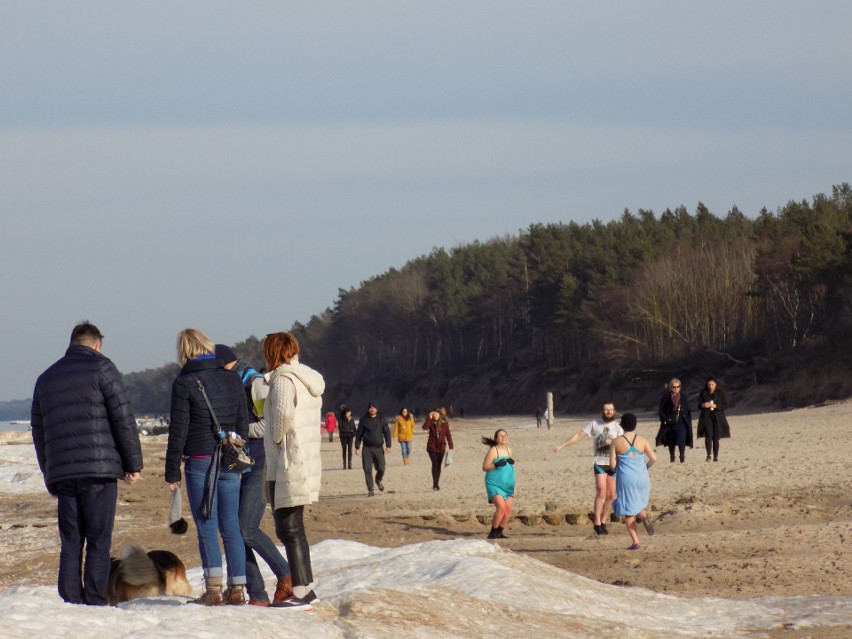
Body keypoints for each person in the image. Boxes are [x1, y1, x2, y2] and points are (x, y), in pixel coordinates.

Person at [31, 322, 143, 605]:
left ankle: (70, 599)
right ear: (96, 345)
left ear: (72, 343)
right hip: (99, 470)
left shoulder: (45, 378)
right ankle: (95, 599)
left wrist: (49, 474)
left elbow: (39, 431)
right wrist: (133, 464)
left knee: (71, 542)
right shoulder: (103, 368)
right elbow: (123, 419)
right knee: (98, 539)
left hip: (64, 473)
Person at [165, 329, 248, 606]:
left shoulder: (185, 382)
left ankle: (213, 589)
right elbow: (242, 423)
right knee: (231, 525)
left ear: (185, 351)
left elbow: (179, 430)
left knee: (206, 525)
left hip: (200, 459)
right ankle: (238, 588)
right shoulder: (232, 378)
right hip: (230, 458)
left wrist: (171, 470)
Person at [214, 344, 292, 608]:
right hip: (239, 466)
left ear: (227, 364)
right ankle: (257, 593)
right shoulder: (232, 383)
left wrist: (236, 429)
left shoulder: (254, 383)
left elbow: (268, 424)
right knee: (235, 531)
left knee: (246, 529)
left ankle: (285, 573)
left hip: (259, 464)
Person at [263, 332, 325, 609]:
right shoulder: (307, 378)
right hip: (304, 460)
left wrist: (275, 437)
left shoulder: (283, 380)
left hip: (287, 462)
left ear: (273, 352)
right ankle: (306, 586)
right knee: (295, 527)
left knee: (288, 528)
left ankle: (300, 591)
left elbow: (282, 416)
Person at [552, 401, 623, 535]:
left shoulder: (618, 427)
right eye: (606, 410)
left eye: (611, 410)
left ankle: (603, 520)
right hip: (599, 463)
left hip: (613, 464)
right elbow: (578, 436)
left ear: (614, 411)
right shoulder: (594, 424)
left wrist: (612, 443)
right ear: (602, 411)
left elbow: (624, 443)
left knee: (611, 494)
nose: (609, 412)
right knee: (601, 491)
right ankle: (596, 522)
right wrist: (562, 445)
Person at [610, 413, 657, 550]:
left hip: (626, 478)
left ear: (621, 425)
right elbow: (654, 458)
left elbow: (613, 466)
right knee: (637, 502)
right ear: (635, 424)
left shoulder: (617, 442)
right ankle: (644, 517)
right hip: (642, 477)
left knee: (628, 511)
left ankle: (635, 542)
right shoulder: (642, 440)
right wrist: (645, 468)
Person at [482, 429, 515, 539]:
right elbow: (485, 467)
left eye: (505, 435)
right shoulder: (493, 451)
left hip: (507, 485)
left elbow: (509, 466)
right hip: (494, 483)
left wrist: (510, 462)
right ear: (496, 439)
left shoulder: (509, 450)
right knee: (501, 507)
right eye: (501, 436)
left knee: (508, 510)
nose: (503, 437)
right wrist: (496, 465)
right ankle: (492, 533)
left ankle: (500, 532)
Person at [355, 401, 391, 496]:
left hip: (379, 448)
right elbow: (359, 433)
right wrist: (357, 446)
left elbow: (387, 432)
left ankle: (378, 480)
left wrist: (388, 445)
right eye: (370, 407)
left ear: (377, 408)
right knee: (367, 469)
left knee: (381, 467)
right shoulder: (363, 419)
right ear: (368, 409)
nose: (372, 409)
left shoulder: (381, 418)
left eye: (374, 407)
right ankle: (370, 489)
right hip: (367, 448)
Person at [655, 378, 694, 463]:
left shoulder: (683, 396)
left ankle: (682, 457)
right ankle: (672, 457)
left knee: (681, 438)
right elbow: (661, 409)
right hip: (669, 421)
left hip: (681, 420)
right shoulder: (666, 397)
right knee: (671, 440)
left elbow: (687, 408)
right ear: (670, 387)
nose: (676, 389)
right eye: (674, 387)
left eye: (678, 387)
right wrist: (663, 419)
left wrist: (688, 419)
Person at [696, 376, 731, 462]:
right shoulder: (703, 393)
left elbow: (726, 405)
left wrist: (716, 406)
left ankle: (716, 456)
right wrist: (704, 405)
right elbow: (699, 405)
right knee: (708, 435)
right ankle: (708, 455)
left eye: (712, 384)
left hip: (718, 416)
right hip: (706, 416)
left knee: (716, 437)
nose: (711, 386)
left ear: (715, 384)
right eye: (709, 384)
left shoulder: (720, 393)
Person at [423, 407, 454, 491]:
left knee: (438, 465)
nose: (435, 415)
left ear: (440, 415)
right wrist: (429, 418)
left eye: (437, 414)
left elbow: (448, 435)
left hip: (441, 447)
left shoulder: (445, 423)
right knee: (435, 464)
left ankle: (437, 483)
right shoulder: (430, 422)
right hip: (431, 447)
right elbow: (424, 427)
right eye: (434, 414)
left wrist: (451, 446)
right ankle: (435, 484)